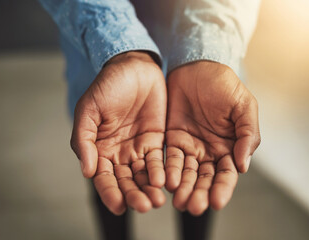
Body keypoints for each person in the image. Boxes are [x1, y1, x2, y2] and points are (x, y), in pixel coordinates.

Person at [39, 0, 261, 239]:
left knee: (200, 169)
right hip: (100, 59)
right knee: (109, 160)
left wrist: (208, 48)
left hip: (197, 70)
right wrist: (119, 47)